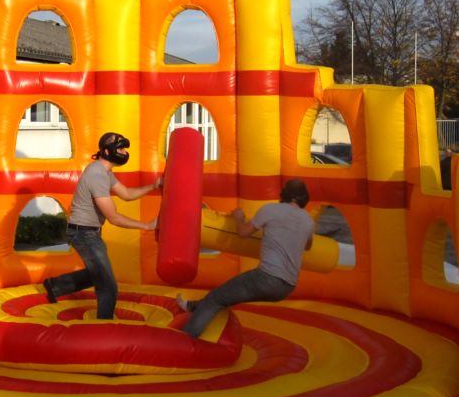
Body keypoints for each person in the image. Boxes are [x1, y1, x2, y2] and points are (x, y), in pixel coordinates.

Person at [42, 132, 161, 319]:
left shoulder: (104, 172)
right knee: (108, 285)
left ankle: (55, 286)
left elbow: (126, 194)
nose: (124, 152)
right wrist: (147, 226)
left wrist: (154, 186)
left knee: (97, 274)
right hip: (83, 233)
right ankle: (104, 327)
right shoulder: (97, 174)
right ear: (107, 151)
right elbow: (113, 217)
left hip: (88, 232)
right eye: (120, 148)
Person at [178, 178, 315, 338]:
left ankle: (185, 339)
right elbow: (307, 246)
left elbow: (243, 233)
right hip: (287, 287)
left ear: (284, 194)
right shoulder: (308, 221)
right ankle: (191, 306)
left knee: (216, 298)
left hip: (266, 278)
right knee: (225, 295)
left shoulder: (271, 210)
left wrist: (239, 217)